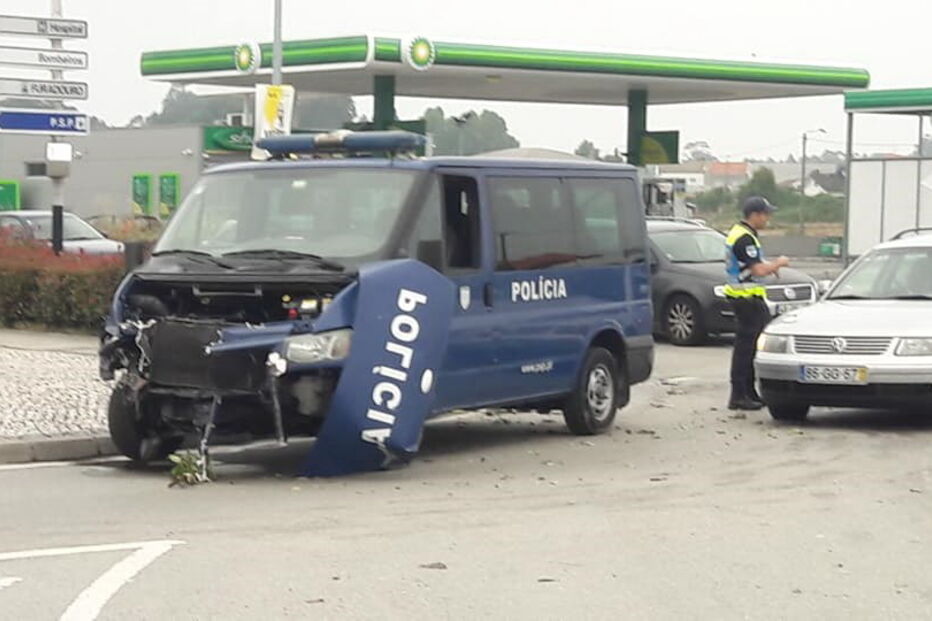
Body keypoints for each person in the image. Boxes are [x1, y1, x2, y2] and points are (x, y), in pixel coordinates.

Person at [724, 196, 790, 410]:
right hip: (745, 299)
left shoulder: (745, 234)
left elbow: (754, 266)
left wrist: (770, 267)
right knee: (745, 348)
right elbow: (758, 270)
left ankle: (749, 392)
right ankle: (738, 394)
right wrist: (778, 263)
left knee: (752, 346)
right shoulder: (744, 238)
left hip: (750, 297)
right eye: (766, 214)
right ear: (755, 215)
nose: (768, 218)